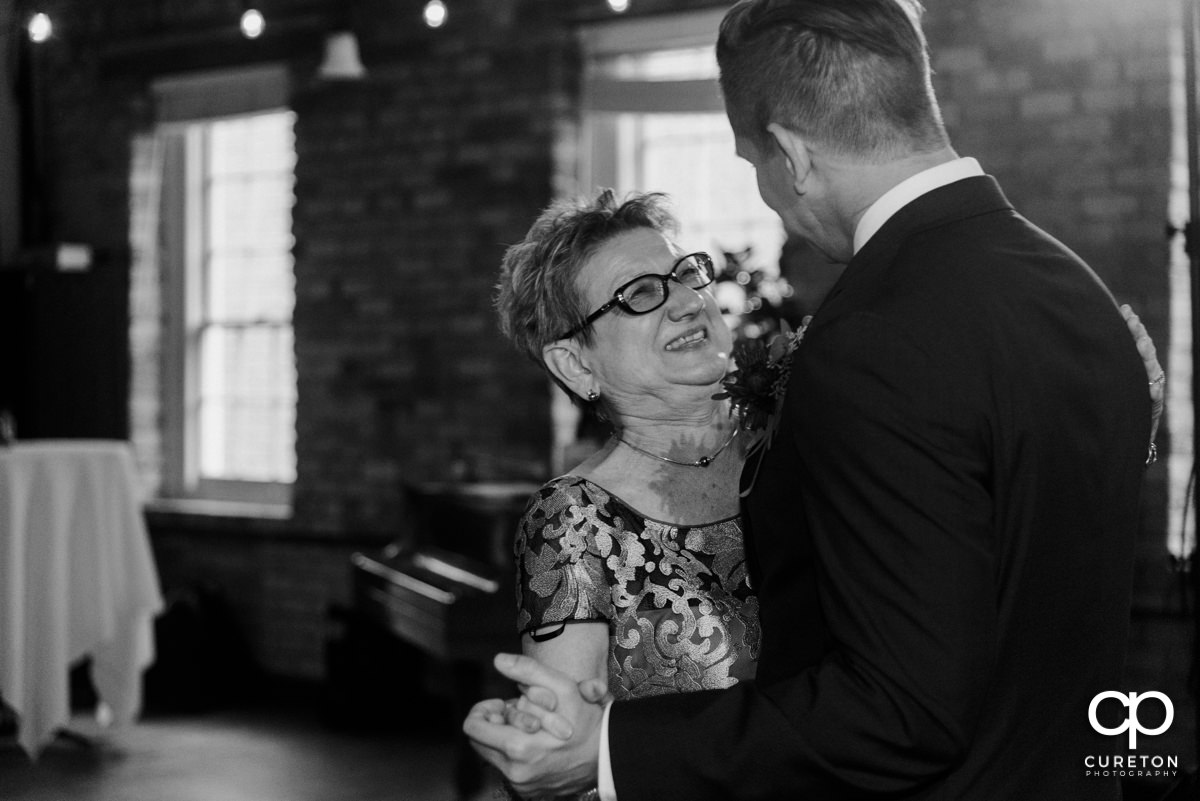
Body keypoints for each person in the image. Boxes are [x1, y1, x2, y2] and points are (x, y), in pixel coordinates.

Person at [466, 2, 1157, 798]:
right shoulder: (1081, 294)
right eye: (639, 295)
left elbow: (905, 705)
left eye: (684, 273)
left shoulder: (865, 347)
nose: (686, 300)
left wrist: (615, 753)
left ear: (791, 153)